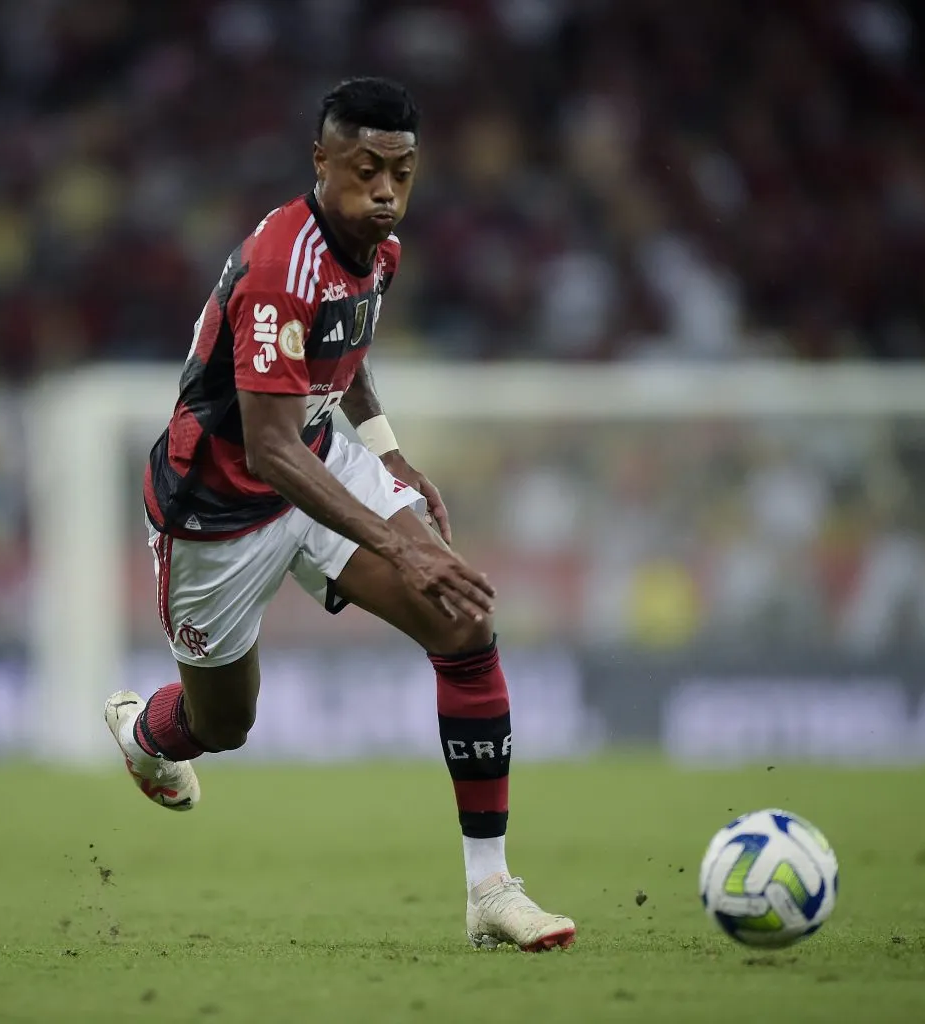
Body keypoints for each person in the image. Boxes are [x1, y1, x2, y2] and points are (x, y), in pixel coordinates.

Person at [104, 78, 575, 952]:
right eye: (365, 170)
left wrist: (388, 452)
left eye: (401, 171)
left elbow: (343, 354)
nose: (387, 191)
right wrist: (401, 539)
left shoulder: (376, 248)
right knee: (222, 726)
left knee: (463, 618)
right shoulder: (283, 264)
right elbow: (270, 446)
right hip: (215, 512)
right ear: (321, 163)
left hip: (317, 461)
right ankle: (143, 734)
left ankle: (490, 892)